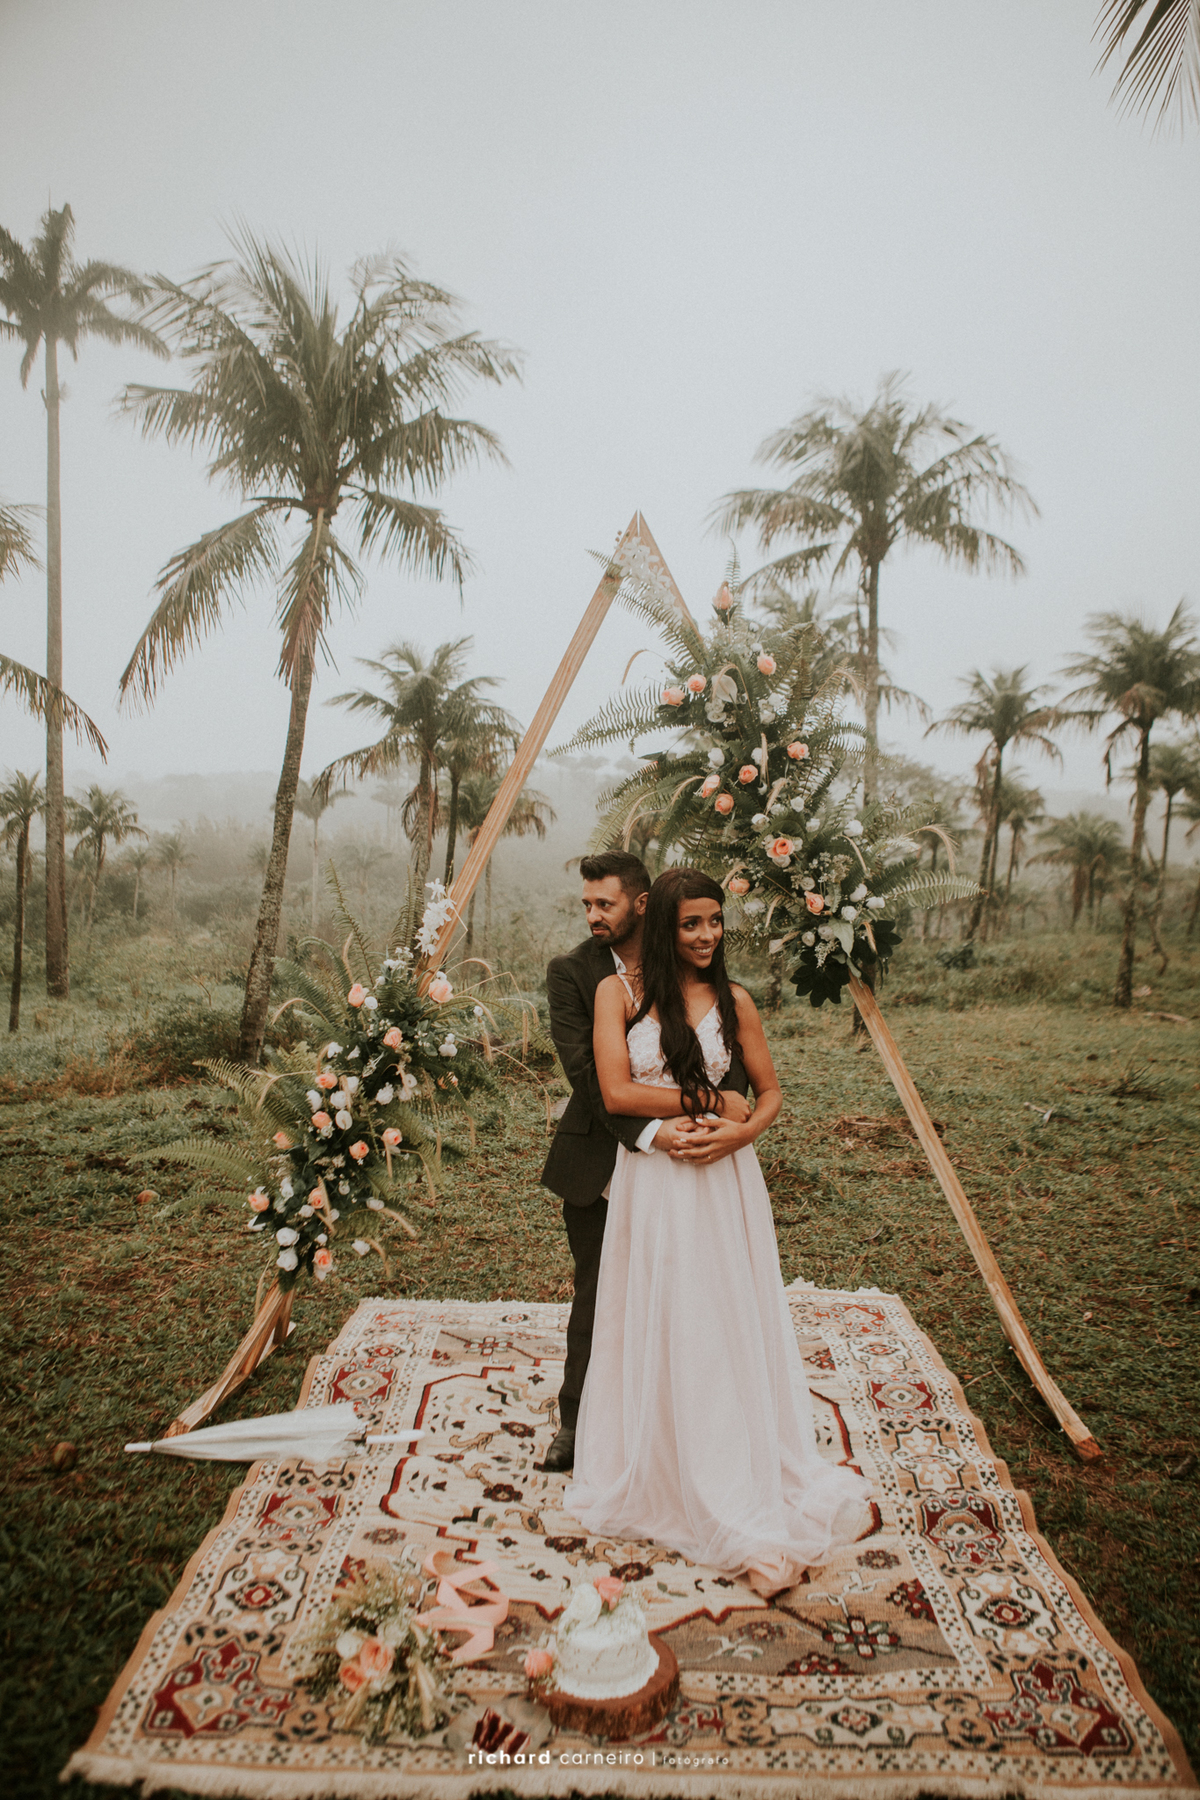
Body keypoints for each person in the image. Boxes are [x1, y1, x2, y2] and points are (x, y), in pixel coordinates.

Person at [563, 867, 873, 1594]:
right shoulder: (618, 994)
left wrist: (740, 1133)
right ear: (662, 928)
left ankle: (737, 1476)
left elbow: (769, 1095)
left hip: (724, 1179)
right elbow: (616, 1091)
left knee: (719, 1316)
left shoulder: (735, 1000)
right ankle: (663, 1462)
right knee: (662, 1312)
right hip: (654, 1182)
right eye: (690, 924)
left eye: (715, 920)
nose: (707, 935)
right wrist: (707, 1101)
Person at [540, 852, 751, 1472]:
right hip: (602, 1159)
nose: (592, 915)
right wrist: (656, 1132)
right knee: (600, 1292)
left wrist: (719, 1123)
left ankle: (680, 1424)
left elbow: (726, 1057)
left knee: (689, 1293)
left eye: (604, 904)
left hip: (691, 1159)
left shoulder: (692, 961)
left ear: (641, 905)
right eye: (587, 904)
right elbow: (588, 1076)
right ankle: (578, 1422)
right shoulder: (574, 973)